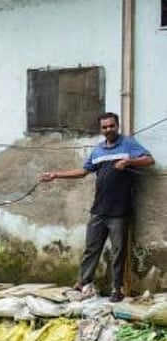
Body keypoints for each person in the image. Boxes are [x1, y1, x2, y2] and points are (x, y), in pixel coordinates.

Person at [40, 112, 155, 302]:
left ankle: (116, 289)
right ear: (101, 129)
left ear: (117, 126)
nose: (108, 130)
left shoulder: (128, 144)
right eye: (105, 127)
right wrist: (56, 175)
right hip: (99, 210)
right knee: (91, 249)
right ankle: (83, 282)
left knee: (118, 253)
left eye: (111, 126)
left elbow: (149, 160)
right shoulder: (98, 150)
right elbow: (84, 171)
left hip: (120, 212)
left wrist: (128, 161)